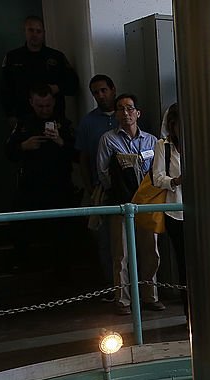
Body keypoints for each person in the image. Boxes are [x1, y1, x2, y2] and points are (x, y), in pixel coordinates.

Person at [96, 93, 162, 315]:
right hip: (120, 202)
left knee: (150, 251)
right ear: (115, 114)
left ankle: (150, 296)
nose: (126, 113)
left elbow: (157, 172)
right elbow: (103, 172)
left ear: (138, 113)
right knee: (121, 253)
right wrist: (117, 191)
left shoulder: (152, 140)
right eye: (121, 109)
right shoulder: (108, 139)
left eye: (130, 108)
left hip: (147, 203)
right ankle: (123, 300)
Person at [5, 85, 77, 284]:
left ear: (53, 103)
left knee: (62, 232)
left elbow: (79, 155)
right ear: (31, 102)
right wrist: (23, 146)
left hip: (60, 185)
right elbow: (8, 152)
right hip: (31, 185)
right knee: (22, 225)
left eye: (47, 105)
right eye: (40, 105)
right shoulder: (23, 124)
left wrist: (60, 141)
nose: (44, 110)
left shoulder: (64, 122)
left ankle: (63, 273)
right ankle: (24, 264)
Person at [75, 74, 118, 289]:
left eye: (103, 90)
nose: (100, 95)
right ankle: (111, 284)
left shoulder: (125, 116)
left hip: (129, 189)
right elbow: (83, 158)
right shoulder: (88, 122)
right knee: (104, 239)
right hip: (100, 189)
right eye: (95, 92)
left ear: (112, 89)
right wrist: (90, 187)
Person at [0, 15, 79, 126]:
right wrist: (10, 115)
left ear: (44, 33)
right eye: (31, 30)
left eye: (38, 31)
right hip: (23, 116)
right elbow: (5, 89)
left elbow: (73, 84)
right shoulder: (13, 58)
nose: (35, 34)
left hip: (54, 117)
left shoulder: (56, 57)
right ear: (25, 31)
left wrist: (57, 88)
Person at [151, 103, 187, 315]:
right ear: (173, 125)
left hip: (203, 215)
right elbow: (157, 178)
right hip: (176, 212)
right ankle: (189, 315)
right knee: (184, 264)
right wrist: (175, 181)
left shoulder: (202, 142)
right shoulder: (163, 146)